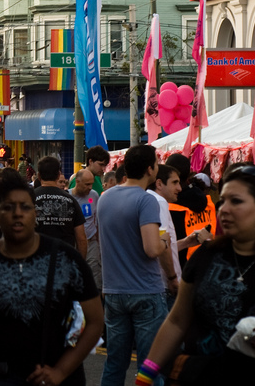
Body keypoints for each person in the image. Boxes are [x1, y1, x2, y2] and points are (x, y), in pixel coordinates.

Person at [0, 171, 104, 386]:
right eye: (8, 207)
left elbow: (96, 321)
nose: (17, 214)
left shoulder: (66, 259)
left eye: (25, 207)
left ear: (35, 213)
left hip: (53, 370)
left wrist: (62, 371)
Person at [140, 165, 255, 384]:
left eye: (236, 201)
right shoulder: (207, 255)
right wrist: (146, 374)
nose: (224, 209)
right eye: (223, 201)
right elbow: (176, 321)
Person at [96, 144, 169, 386]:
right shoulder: (146, 201)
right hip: (145, 291)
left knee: (115, 363)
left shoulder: (106, 198)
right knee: (150, 366)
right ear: (150, 169)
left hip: (114, 291)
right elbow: (151, 249)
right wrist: (164, 241)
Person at [34, 156, 87, 257]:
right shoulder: (71, 201)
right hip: (64, 261)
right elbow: (81, 238)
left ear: (39, 176)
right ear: (58, 175)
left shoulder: (29, 198)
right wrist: (80, 265)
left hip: (36, 261)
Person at [148, 164, 183, 307]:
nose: (179, 188)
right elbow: (162, 245)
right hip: (164, 286)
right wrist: (172, 278)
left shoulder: (148, 199)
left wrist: (187, 242)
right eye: (175, 182)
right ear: (159, 183)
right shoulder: (159, 201)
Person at [70, 168, 102, 289]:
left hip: (91, 244)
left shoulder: (94, 195)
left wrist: (99, 244)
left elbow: (97, 220)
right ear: (77, 182)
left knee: (94, 280)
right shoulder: (68, 197)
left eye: (91, 184)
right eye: (87, 184)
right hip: (74, 245)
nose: (90, 187)